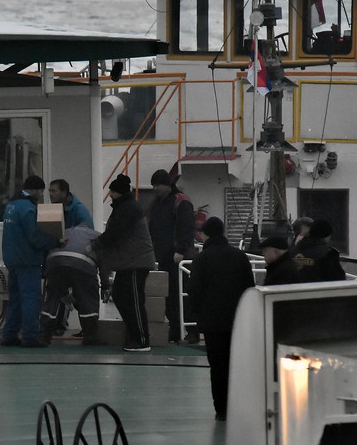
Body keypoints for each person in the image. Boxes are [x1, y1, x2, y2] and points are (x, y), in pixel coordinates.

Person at [188, 217, 255, 421]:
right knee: (237, 363)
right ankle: (240, 405)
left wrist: (200, 313)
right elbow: (249, 288)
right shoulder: (240, 257)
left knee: (217, 366)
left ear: (205, 234)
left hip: (212, 322)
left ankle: (222, 410)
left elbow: (193, 290)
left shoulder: (202, 259)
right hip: (238, 320)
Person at [90, 173, 156, 352]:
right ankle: (135, 335)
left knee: (133, 300)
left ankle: (142, 340)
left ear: (118, 192)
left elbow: (114, 234)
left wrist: (94, 246)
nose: (109, 194)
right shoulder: (124, 208)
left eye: (112, 191)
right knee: (120, 296)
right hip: (128, 262)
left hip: (136, 262)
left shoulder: (127, 209)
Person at [0, 175, 60, 347]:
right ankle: (31, 336)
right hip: (27, 260)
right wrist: (56, 241)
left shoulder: (11, 206)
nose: (41, 195)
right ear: (34, 190)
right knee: (31, 299)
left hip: (12, 259)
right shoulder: (28, 209)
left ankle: (9, 335)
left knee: (15, 299)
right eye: (40, 191)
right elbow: (34, 237)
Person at [147, 168, 198, 343]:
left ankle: (191, 331)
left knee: (184, 295)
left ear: (167, 185)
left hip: (179, 258)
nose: (155, 189)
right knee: (170, 297)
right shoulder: (159, 203)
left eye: (157, 185)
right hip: (164, 256)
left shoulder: (180, 202)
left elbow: (187, 227)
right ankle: (176, 329)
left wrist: (181, 251)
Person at [38, 225, 102, 346]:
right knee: (88, 299)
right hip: (82, 264)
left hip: (54, 263)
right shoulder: (96, 236)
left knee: (52, 299)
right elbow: (104, 262)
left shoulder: (65, 231)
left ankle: (44, 336)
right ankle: (90, 337)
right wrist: (105, 284)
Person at [48, 178, 94, 336]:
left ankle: (85, 328)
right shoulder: (54, 210)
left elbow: (87, 233)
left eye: (53, 191)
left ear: (64, 192)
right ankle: (59, 324)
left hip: (76, 259)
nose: (50, 194)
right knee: (61, 291)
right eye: (49, 191)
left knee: (77, 292)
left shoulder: (79, 211)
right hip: (61, 259)